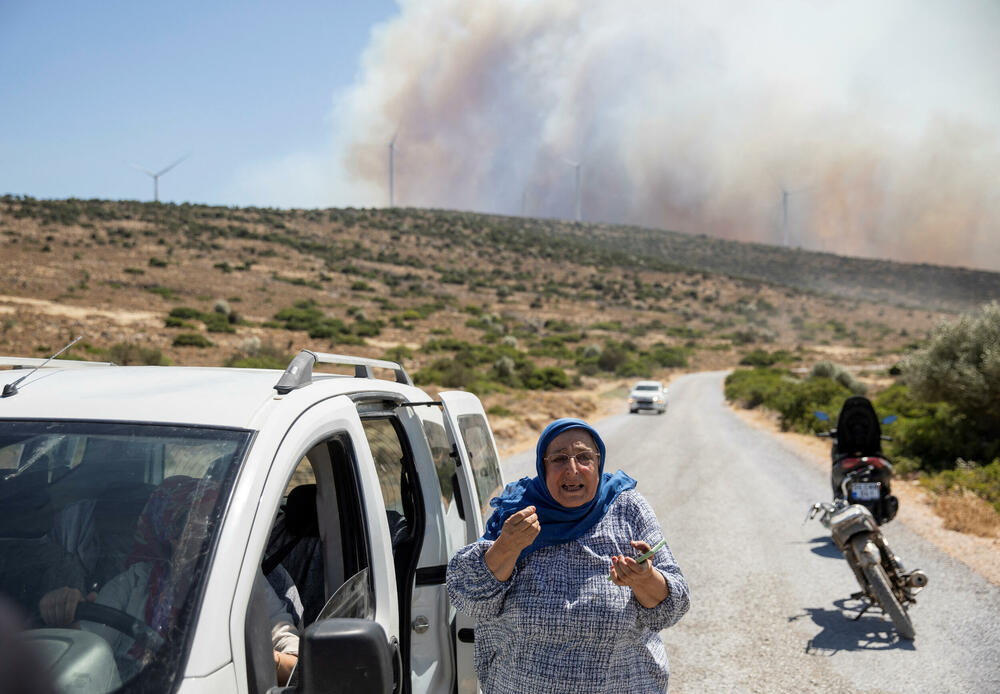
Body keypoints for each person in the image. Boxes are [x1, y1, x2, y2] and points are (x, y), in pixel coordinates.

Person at [446, 418, 690, 694]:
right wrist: (507, 546)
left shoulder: (627, 508)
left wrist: (645, 579)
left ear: (599, 462)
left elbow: (674, 608)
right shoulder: (518, 513)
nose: (573, 470)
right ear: (543, 465)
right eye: (560, 459)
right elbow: (467, 599)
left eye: (584, 457)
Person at [38, 476, 300, 685]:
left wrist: (254, 655)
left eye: (218, 525)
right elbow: (89, 660)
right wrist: (65, 618)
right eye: (202, 526)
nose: (215, 536)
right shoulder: (134, 582)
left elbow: (296, 665)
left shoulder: (243, 581)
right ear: (172, 538)